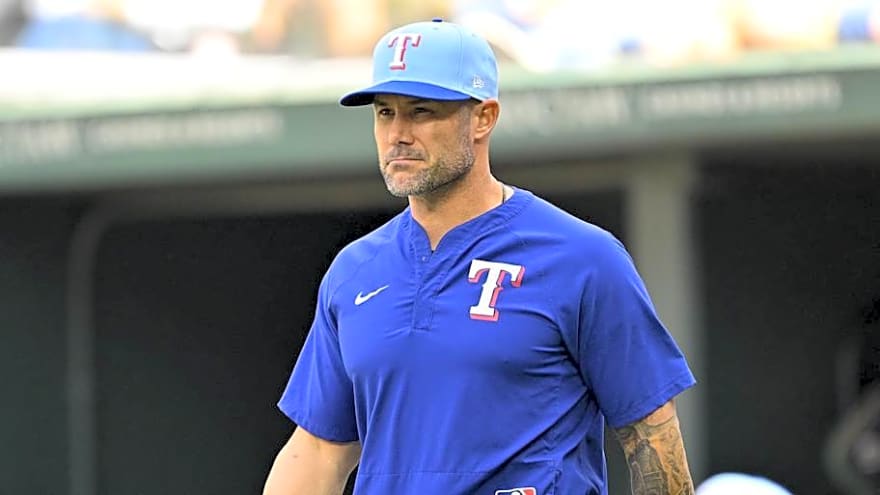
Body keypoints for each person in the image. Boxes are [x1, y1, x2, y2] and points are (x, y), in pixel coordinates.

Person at [263, 18, 696, 495]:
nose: (398, 134)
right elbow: (321, 450)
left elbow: (651, 434)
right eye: (385, 113)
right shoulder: (354, 271)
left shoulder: (581, 257)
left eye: (422, 111)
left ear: (484, 118)